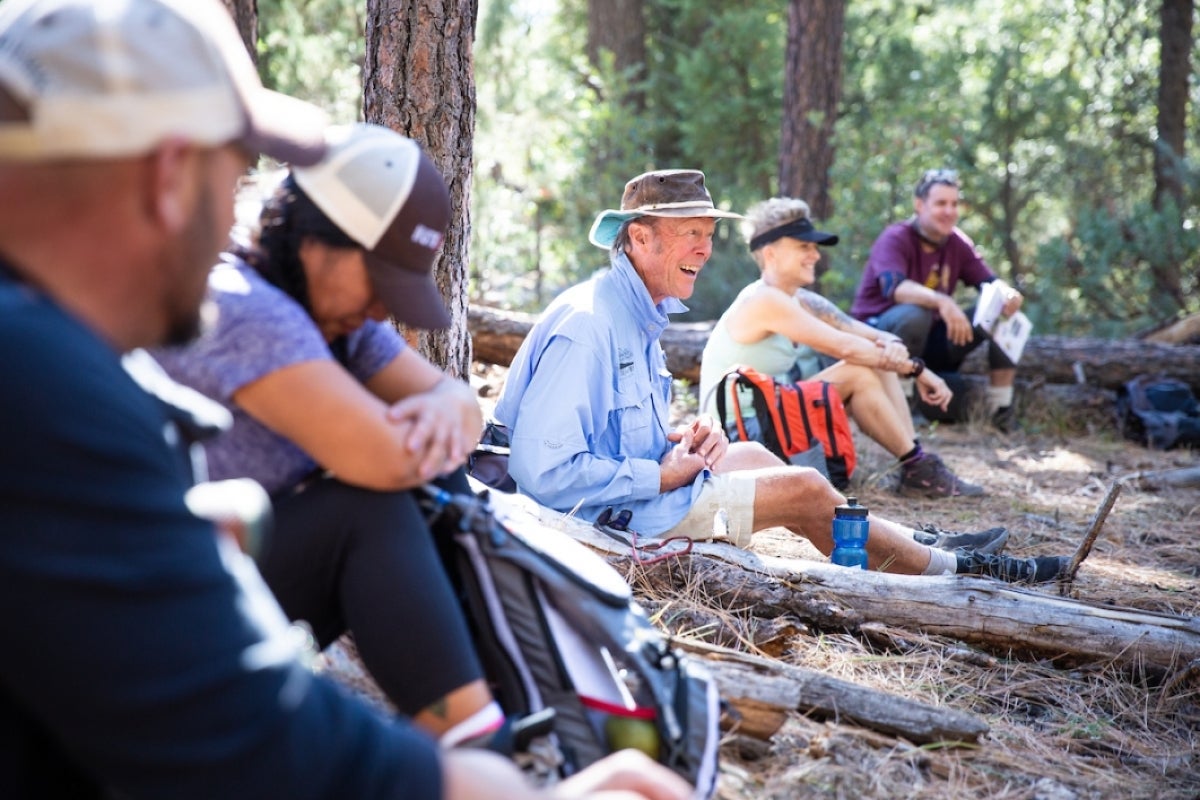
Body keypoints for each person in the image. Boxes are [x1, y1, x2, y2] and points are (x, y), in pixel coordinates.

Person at [0, 2, 692, 799]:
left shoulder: (44, 356)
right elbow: (244, 737)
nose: (236, 210)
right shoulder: (42, 385)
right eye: (234, 173)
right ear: (167, 175)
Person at [494, 168, 1066, 585]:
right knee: (807, 490)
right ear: (639, 238)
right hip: (601, 523)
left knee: (759, 460)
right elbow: (543, 474)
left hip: (629, 499)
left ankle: (917, 544)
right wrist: (659, 476)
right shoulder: (590, 325)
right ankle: (958, 570)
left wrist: (676, 444)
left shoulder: (636, 313)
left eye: (708, 234)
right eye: (689, 233)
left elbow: (605, 434)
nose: (705, 249)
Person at [151, 121, 512, 747]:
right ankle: (476, 748)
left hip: (211, 584)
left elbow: (456, 401)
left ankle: (492, 714)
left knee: (433, 491)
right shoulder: (246, 307)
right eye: (380, 281)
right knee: (365, 511)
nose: (382, 312)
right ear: (317, 241)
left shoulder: (329, 317)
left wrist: (448, 407)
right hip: (150, 617)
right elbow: (384, 460)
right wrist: (433, 425)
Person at [698, 197, 984, 499]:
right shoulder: (764, 300)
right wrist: (920, 371)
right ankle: (917, 466)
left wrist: (891, 344)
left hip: (768, 419)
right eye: (803, 247)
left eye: (814, 247)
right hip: (736, 437)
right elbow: (846, 346)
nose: (815, 255)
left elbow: (863, 333)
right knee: (858, 371)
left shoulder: (799, 299)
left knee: (870, 362)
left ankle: (917, 466)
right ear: (770, 253)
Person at [850, 168, 1025, 430]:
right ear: (919, 205)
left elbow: (989, 283)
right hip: (881, 341)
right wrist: (943, 301)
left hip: (926, 347)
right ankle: (903, 406)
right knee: (915, 313)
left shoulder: (957, 242)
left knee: (1006, 312)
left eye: (954, 204)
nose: (949, 211)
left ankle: (1000, 409)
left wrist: (1007, 293)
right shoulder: (895, 238)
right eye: (941, 203)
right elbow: (895, 289)